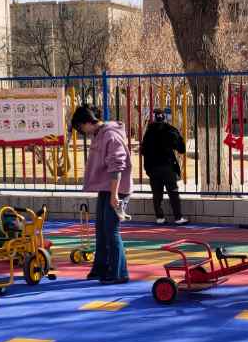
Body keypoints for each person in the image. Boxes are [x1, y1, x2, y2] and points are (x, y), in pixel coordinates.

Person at [71, 104, 131, 284]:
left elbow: (117, 166)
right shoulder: (99, 135)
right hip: (106, 188)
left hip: (117, 189)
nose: (82, 132)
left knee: (111, 231)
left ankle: (119, 272)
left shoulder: (111, 135)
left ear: (88, 122)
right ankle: (101, 267)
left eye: (80, 127)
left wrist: (114, 195)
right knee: (101, 229)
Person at [140, 107, 187, 225]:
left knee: (157, 193)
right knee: (173, 192)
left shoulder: (149, 132)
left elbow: (143, 150)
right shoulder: (170, 130)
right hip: (167, 166)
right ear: (164, 117)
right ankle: (178, 217)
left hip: (152, 167)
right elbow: (181, 148)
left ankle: (160, 217)